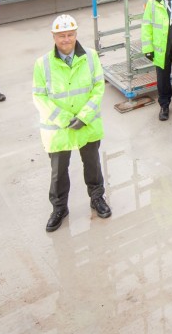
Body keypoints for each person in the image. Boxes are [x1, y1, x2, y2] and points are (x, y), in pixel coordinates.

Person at [32, 14, 111, 232]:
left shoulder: (91, 57)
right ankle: (59, 208)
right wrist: (64, 119)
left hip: (87, 124)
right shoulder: (43, 64)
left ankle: (97, 199)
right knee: (58, 172)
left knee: (93, 165)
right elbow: (39, 97)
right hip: (59, 129)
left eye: (70, 35)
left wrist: (84, 116)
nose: (66, 40)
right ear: (53, 36)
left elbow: (98, 88)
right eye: (61, 36)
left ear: (76, 34)